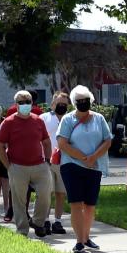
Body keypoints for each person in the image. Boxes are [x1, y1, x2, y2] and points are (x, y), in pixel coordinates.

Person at [57, 85, 113, 253]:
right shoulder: (67, 120)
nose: (83, 103)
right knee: (76, 203)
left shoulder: (99, 118)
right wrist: (83, 158)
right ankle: (79, 241)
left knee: (90, 205)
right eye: (79, 101)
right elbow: (62, 143)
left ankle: (87, 237)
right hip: (72, 166)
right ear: (74, 103)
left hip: (94, 167)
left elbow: (107, 140)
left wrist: (93, 158)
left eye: (86, 100)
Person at [0, 90, 52, 238]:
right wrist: (8, 166)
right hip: (17, 166)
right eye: (21, 102)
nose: (25, 104)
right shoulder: (8, 122)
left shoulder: (38, 120)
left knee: (45, 195)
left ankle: (38, 223)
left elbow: (46, 142)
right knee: (19, 200)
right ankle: (22, 230)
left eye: (28, 101)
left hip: (40, 165)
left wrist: (47, 160)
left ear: (32, 103)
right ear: (16, 104)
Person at [39, 92, 70, 235]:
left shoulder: (71, 119)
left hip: (65, 161)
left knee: (61, 193)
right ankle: (45, 220)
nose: (62, 106)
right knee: (47, 192)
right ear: (52, 104)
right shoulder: (43, 118)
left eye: (65, 103)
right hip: (47, 161)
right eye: (59, 103)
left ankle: (57, 221)